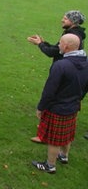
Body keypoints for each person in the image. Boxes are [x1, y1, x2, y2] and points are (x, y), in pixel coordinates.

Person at [31, 34, 88, 174]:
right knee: (67, 134)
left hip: (58, 107)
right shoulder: (86, 62)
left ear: (67, 47)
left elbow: (50, 90)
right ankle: (64, 156)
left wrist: (41, 107)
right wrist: (78, 98)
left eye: (60, 43)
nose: (58, 46)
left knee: (54, 139)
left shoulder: (61, 65)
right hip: (74, 105)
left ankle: (50, 165)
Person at [27, 10, 86, 143]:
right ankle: (48, 131)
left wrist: (40, 44)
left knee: (51, 100)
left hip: (63, 72)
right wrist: (43, 42)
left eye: (65, 18)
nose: (62, 20)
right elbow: (56, 49)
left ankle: (44, 136)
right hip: (70, 74)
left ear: (73, 22)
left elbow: (53, 52)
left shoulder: (71, 35)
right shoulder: (75, 34)